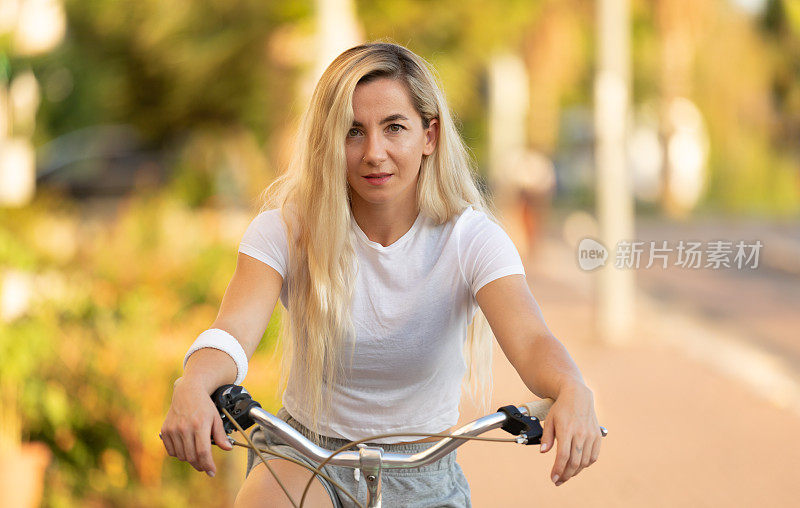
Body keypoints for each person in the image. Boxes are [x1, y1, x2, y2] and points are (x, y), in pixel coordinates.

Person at [160, 42, 601, 507]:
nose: (374, 152)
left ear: (429, 135)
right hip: (305, 457)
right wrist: (193, 383)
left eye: (394, 128)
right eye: (353, 132)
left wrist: (572, 387)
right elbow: (232, 331)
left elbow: (531, 340)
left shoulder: (472, 239)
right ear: (329, 140)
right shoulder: (286, 230)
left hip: (423, 470)